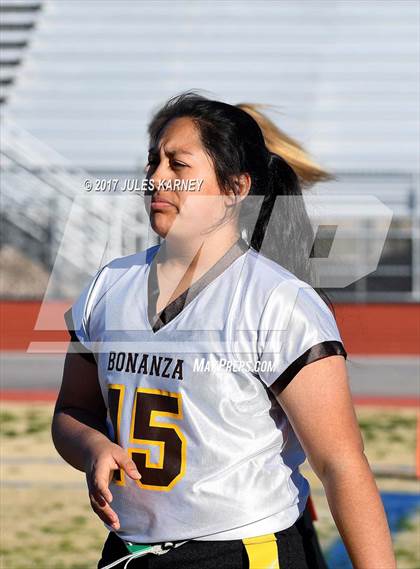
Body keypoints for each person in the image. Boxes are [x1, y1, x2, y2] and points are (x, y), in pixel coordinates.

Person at [52, 92, 396, 569]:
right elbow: (71, 411)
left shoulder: (277, 301)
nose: (156, 179)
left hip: (241, 552)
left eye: (178, 165)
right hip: (127, 553)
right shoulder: (109, 285)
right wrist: (91, 446)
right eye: (153, 162)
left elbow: (341, 463)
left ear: (235, 189)